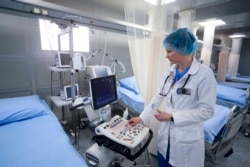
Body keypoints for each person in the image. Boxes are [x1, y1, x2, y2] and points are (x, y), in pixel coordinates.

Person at [128, 28, 217, 167]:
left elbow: (207, 111)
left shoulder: (204, 74)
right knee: (163, 162)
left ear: (182, 49)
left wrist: (173, 117)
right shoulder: (171, 71)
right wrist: (141, 118)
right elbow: (159, 96)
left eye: (169, 51)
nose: (166, 56)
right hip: (166, 136)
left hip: (186, 138)